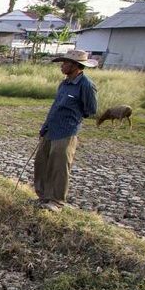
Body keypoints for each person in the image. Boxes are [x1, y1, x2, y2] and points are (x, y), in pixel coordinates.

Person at [34, 49, 98, 211]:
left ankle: (56, 201)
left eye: (66, 63)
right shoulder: (64, 84)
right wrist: (45, 127)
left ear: (76, 66)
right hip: (51, 129)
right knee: (42, 162)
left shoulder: (86, 85)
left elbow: (90, 110)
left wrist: (72, 118)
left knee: (60, 166)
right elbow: (55, 107)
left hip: (66, 131)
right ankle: (43, 197)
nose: (62, 66)